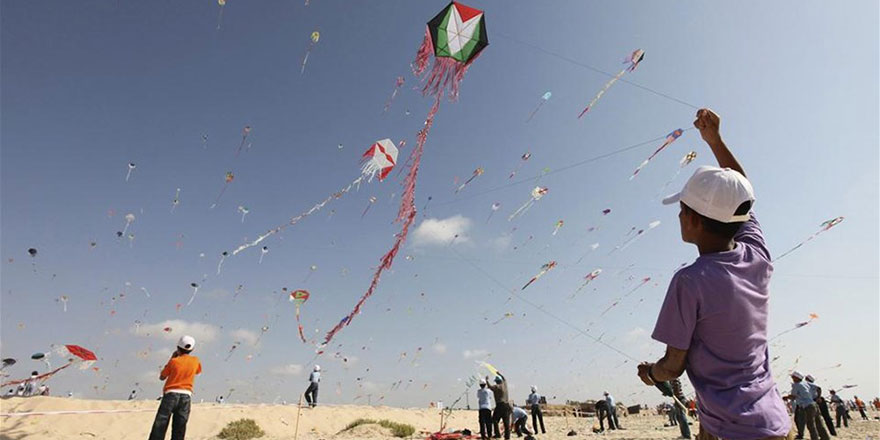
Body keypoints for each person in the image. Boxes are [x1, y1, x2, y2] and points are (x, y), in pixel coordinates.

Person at [636, 108, 792, 440]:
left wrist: (651, 373)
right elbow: (739, 196)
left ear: (692, 219)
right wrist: (715, 140)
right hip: (774, 421)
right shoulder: (756, 255)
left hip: (731, 429)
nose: (678, 217)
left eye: (681, 210)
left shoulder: (690, 281)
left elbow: (673, 365)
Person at [148, 335, 202, 440]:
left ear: (178, 348)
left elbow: (162, 377)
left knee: (161, 424)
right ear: (192, 349)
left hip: (171, 395)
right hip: (186, 396)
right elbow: (198, 371)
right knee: (180, 427)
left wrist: (172, 358)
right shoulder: (196, 360)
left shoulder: (174, 361)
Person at [784, 372, 829, 440]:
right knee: (819, 423)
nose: (792, 379)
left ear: (796, 378)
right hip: (814, 404)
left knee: (811, 425)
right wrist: (818, 397)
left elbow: (793, 396)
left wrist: (786, 397)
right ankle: (825, 437)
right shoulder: (806, 383)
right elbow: (818, 388)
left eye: (793, 377)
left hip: (807, 406)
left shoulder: (796, 385)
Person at [487, 373, 511, 439]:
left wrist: (487, 380)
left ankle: (497, 434)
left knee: (495, 420)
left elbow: (490, 387)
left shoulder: (497, 387)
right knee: (506, 422)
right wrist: (498, 373)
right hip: (507, 405)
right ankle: (507, 437)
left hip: (500, 405)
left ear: (496, 381)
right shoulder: (505, 384)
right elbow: (504, 378)